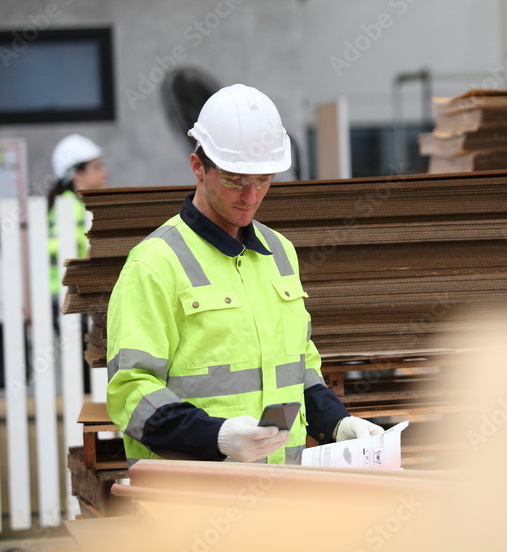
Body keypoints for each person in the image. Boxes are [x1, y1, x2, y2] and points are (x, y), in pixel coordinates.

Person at [106, 84, 382, 465]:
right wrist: (214, 437)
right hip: (196, 500)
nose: (251, 196)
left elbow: (297, 369)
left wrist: (337, 423)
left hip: (281, 493)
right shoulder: (154, 264)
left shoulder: (279, 252)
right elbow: (130, 392)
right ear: (198, 167)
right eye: (235, 180)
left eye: (264, 180)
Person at [48, 134, 107, 296]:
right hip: (64, 294)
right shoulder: (72, 208)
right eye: (96, 167)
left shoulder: (71, 204)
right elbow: (81, 255)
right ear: (76, 175)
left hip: (64, 292)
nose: (103, 171)